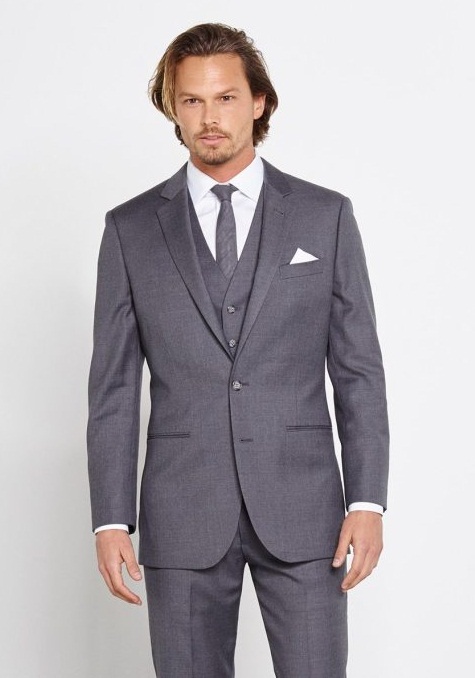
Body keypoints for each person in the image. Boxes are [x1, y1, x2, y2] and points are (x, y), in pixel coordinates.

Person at [87, 22, 390, 678]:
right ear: (172, 109)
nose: (209, 118)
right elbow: (112, 388)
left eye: (225, 98)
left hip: (305, 510)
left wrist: (366, 502)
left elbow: (358, 371)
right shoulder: (130, 229)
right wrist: (110, 519)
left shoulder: (325, 216)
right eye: (191, 101)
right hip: (181, 511)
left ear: (258, 101)